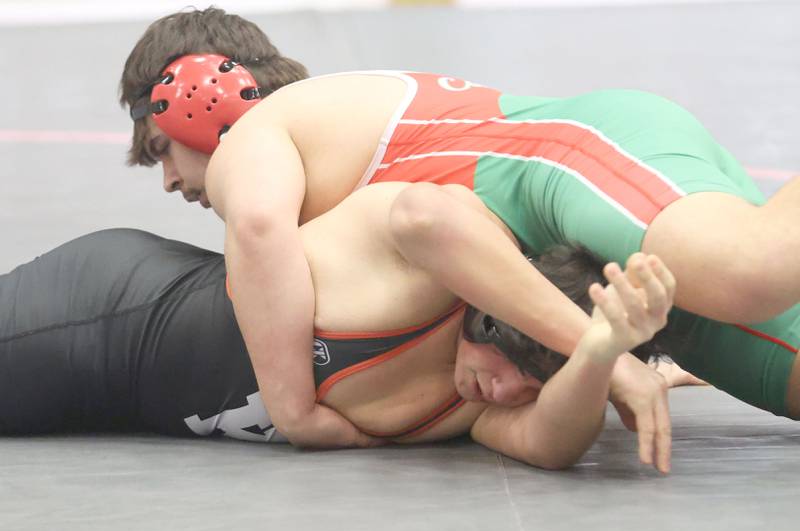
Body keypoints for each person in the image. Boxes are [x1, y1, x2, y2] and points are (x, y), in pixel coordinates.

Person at [119, 8, 800, 447]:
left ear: (199, 93)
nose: (172, 182)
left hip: (566, 174)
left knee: (753, 271)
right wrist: (606, 351)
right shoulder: (321, 180)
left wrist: (293, 409)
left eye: (160, 149)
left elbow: (260, 228)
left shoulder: (262, 135)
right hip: (595, 240)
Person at [0, 180, 677, 473]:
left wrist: (600, 352)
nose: (503, 393)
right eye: (516, 367)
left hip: (116, 399)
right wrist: (601, 357)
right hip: (109, 313)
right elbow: (423, 215)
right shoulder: (430, 270)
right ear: (495, 315)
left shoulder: (467, 408)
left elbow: (551, 445)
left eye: (531, 388)